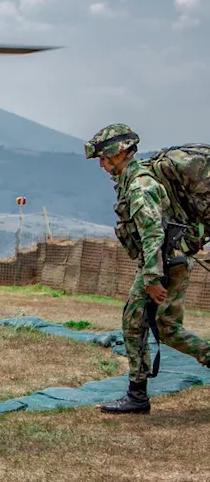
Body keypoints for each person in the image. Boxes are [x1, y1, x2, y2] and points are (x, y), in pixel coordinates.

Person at [85, 124, 210, 413]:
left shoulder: (141, 185)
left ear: (119, 154)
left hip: (164, 263)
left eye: (104, 158)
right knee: (167, 329)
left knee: (134, 323)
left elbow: (153, 233)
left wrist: (152, 277)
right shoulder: (133, 180)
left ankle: (137, 395)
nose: (102, 165)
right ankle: (138, 394)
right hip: (170, 261)